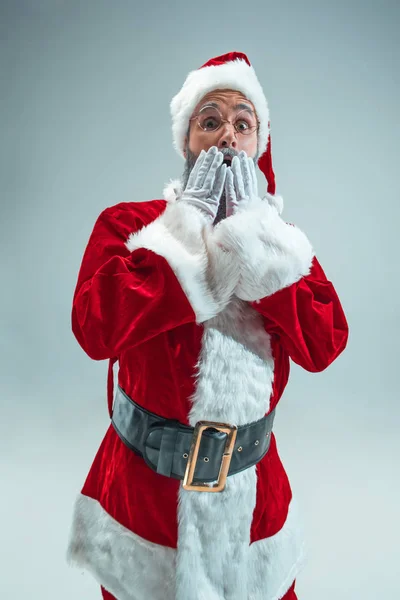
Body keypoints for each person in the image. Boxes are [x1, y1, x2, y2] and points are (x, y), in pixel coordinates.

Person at [66, 51, 349, 600]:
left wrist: (258, 240)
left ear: (259, 144)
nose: (227, 136)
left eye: (243, 123)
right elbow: (94, 330)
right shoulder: (129, 225)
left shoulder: (285, 243)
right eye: (210, 120)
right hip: (145, 500)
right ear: (187, 141)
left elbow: (324, 342)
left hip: (253, 502)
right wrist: (181, 232)